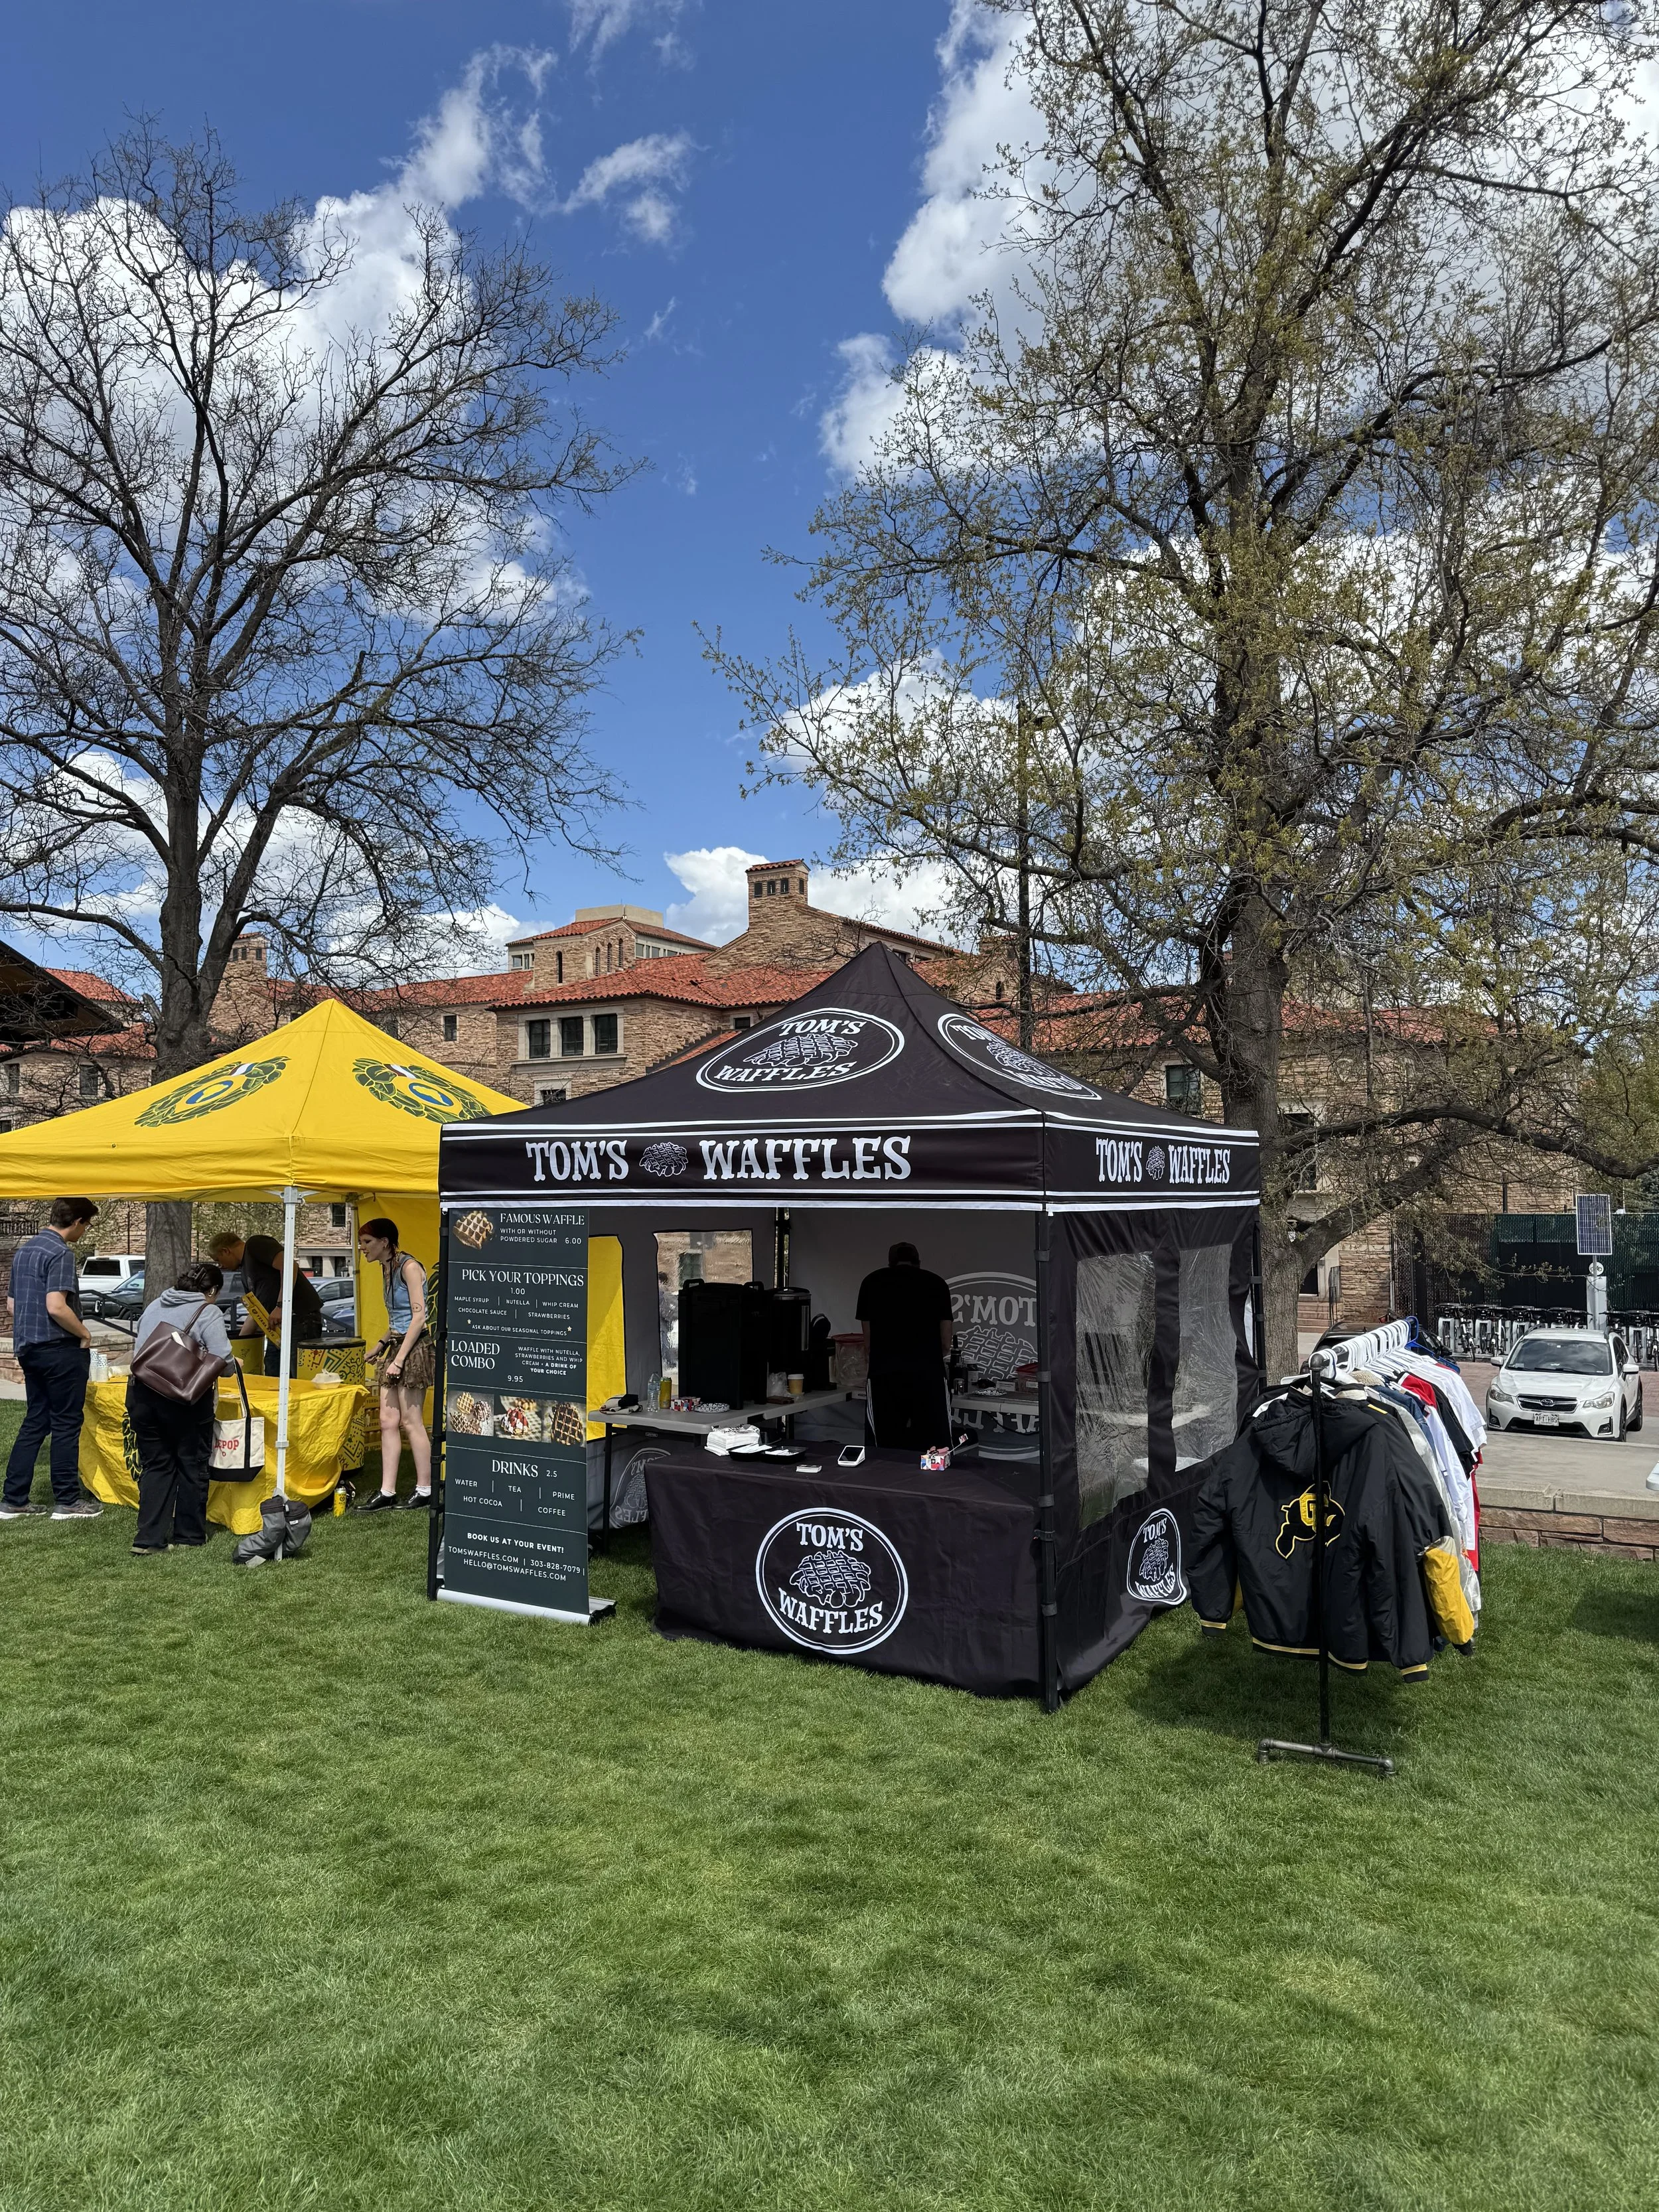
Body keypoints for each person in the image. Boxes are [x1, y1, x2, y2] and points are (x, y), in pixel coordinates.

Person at [0, 1196, 104, 1520]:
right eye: (86, 1225)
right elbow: (57, 1306)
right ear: (76, 1223)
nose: (84, 1232)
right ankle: (68, 1501)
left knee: (36, 1421)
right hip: (59, 1349)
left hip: (29, 1348)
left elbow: (12, 1307)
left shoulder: (25, 1251)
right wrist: (84, 1334)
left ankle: (13, 1499)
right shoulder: (59, 1252)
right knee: (66, 1424)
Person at [128, 1262, 240, 1555]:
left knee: (157, 1465)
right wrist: (233, 1366)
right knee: (192, 1465)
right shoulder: (208, 1311)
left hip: (142, 1395)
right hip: (184, 1399)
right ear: (212, 1290)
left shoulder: (155, 1304)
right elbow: (223, 1360)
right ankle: (189, 1535)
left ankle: (148, 1539)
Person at [356, 1216, 434, 1512]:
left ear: (384, 1243)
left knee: (410, 1421)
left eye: (367, 1242)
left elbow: (419, 1317)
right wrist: (380, 1344)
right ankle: (387, 1492)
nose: (362, 1248)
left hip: (414, 1349)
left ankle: (425, 1489)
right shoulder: (386, 1267)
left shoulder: (409, 1267)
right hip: (396, 1346)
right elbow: (397, 1318)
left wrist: (399, 1361)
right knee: (388, 1421)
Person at [856, 1240, 954, 1451]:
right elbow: (946, 1341)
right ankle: (934, 1483)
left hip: (885, 1375)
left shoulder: (871, 1282)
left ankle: (885, 1482)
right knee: (936, 1447)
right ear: (918, 1261)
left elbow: (868, 1341)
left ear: (891, 1262)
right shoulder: (936, 1284)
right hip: (928, 1376)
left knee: (883, 1446)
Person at [235, 1233, 323, 1377]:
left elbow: (289, 1265)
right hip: (277, 1328)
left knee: (296, 1373)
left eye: (218, 1259)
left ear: (225, 1251)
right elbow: (255, 1311)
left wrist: (281, 1306)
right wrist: (239, 1344)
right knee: (273, 1368)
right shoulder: (246, 1269)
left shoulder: (254, 1245)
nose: (220, 1265)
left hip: (298, 1318)